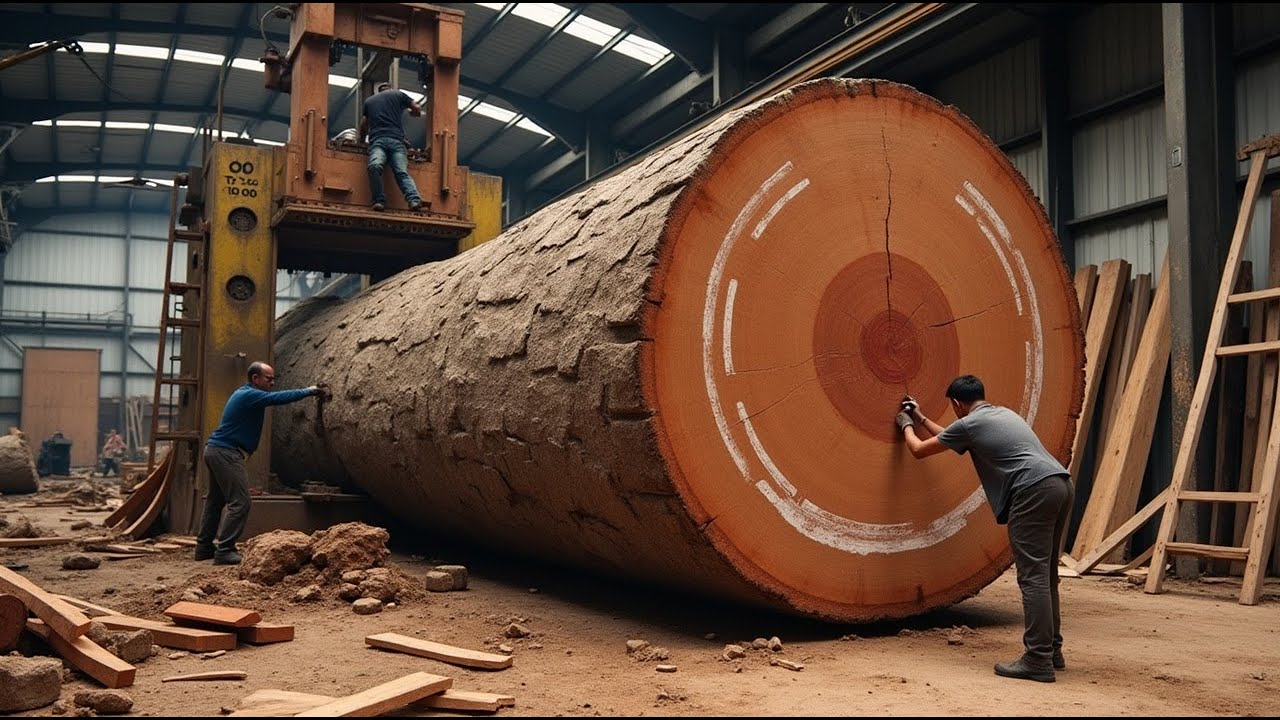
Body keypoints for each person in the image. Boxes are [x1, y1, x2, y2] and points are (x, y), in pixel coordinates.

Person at [896, 374, 1072, 683]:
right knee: (1046, 576)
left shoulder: (970, 424)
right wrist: (921, 416)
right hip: (1060, 483)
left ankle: (1037, 659)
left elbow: (921, 450)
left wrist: (906, 425)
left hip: (1031, 490)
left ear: (956, 404)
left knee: (1032, 579)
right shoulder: (1001, 414)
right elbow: (952, 437)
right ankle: (1051, 651)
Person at [196, 361, 328, 565]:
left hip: (216, 450)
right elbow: (278, 398)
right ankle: (224, 550)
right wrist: (309, 391)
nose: (272, 383)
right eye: (269, 379)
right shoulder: (249, 395)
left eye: (273, 379)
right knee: (241, 502)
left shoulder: (246, 394)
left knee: (215, 501)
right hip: (226, 453)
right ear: (255, 378)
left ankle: (204, 548)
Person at [359, 81, 424, 212]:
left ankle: (379, 201)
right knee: (401, 172)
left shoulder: (370, 101)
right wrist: (414, 113)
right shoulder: (398, 94)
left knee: (374, 167)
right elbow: (416, 108)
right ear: (390, 89)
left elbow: (364, 124)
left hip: (378, 140)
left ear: (379, 91)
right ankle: (414, 200)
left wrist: (361, 141)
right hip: (397, 142)